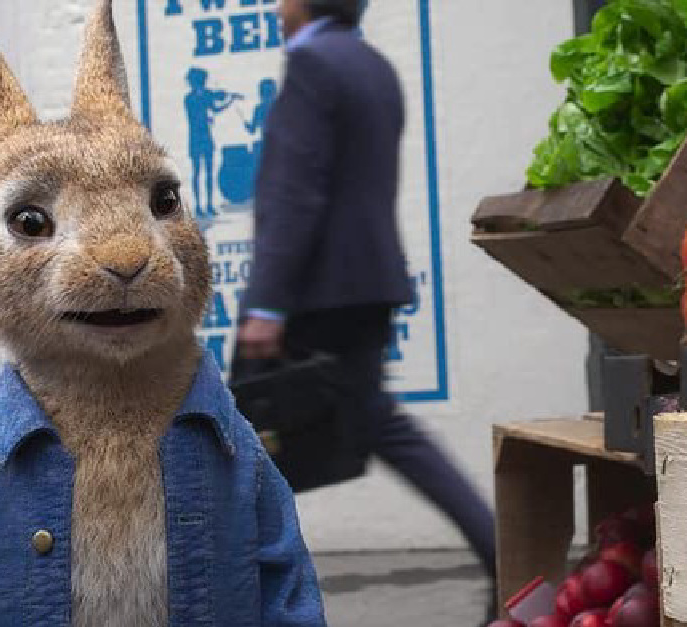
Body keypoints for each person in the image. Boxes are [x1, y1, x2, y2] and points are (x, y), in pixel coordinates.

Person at [236, 0, 498, 617]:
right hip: (366, 284)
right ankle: (502, 550)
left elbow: (294, 194)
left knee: (251, 438)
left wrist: (267, 304)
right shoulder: (372, 65)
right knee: (366, 426)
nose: (277, 8)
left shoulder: (311, 67)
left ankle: (503, 550)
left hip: (317, 294)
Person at [184, 67, 243, 218]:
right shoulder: (190, 98)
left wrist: (228, 99)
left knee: (209, 172)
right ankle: (198, 206)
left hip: (205, 138)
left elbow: (214, 106)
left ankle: (208, 205)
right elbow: (200, 114)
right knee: (197, 172)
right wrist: (225, 101)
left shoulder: (204, 95)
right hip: (196, 138)